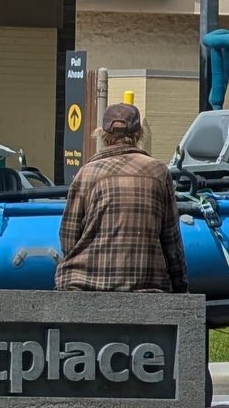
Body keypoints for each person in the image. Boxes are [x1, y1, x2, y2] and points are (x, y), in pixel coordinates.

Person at [53, 102, 186, 293]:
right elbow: (172, 241)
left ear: (102, 134)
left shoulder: (87, 173)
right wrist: (181, 287)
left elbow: (68, 237)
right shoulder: (158, 172)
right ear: (139, 134)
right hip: (146, 286)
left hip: (84, 284)